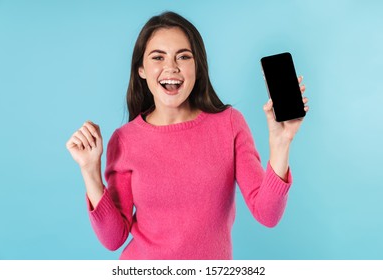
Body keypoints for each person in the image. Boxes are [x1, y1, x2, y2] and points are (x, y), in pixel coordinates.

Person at [66, 11, 309, 260]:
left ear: (197, 66)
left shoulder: (230, 124)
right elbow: (113, 239)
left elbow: (267, 215)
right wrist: (90, 170)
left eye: (183, 56)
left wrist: (281, 144)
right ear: (141, 69)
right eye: (158, 57)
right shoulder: (125, 140)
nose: (171, 67)